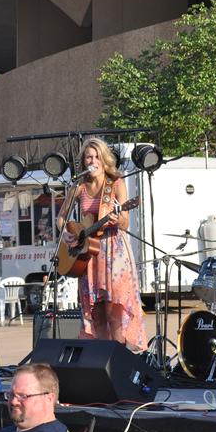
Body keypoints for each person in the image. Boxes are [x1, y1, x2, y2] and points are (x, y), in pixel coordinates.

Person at [57, 137, 147, 353]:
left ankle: (119, 360)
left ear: (105, 159)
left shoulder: (116, 183)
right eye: (89, 157)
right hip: (88, 254)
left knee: (113, 312)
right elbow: (61, 218)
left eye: (97, 156)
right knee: (96, 314)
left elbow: (124, 223)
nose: (93, 160)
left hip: (113, 251)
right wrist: (67, 234)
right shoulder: (79, 187)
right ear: (83, 161)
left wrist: (117, 219)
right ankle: (101, 360)